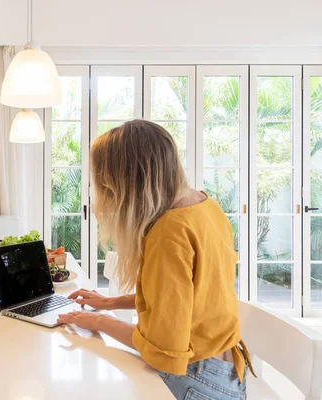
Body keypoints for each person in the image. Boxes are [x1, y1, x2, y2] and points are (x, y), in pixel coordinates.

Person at [57, 120, 255, 399]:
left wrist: (97, 322)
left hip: (195, 380)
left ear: (123, 183)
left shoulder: (168, 233)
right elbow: (184, 298)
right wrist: (109, 302)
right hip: (227, 374)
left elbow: (163, 351)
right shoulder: (205, 206)